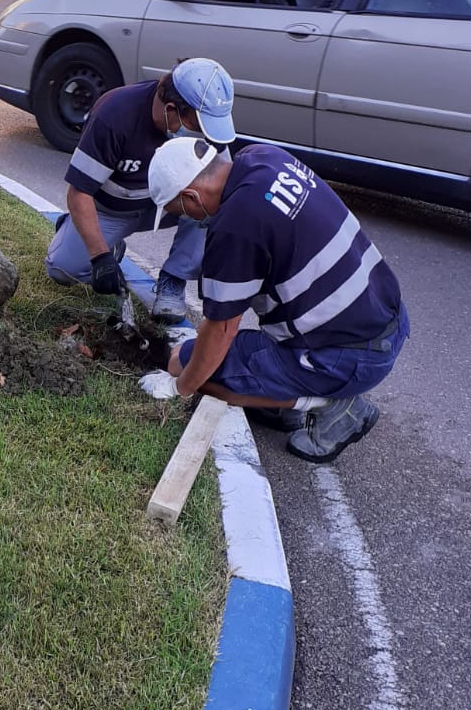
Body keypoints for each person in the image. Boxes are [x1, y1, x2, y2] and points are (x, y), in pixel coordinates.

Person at [145, 134, 409, 463]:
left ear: (191, 196)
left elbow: (220, 330)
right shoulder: (264, 157)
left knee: (186, 366)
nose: (187, 219)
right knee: (214, 357)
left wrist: (179, 388)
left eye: (180, 211)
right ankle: (285, 399)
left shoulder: (234, 228)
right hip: (383, 321)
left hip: (350, 356)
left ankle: (334, 405)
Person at [45, 58, 236, 320]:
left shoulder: (205, 124)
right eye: (196, 127)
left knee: (211, 201)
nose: (202, 135)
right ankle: (105, 243)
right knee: (62, 268)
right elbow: (79, 192)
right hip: (112, 210)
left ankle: (173, 280)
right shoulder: (114, 115)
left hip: (170, 206)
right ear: (171, 109)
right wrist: (100, 257)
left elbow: (225, 185)